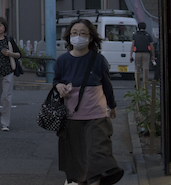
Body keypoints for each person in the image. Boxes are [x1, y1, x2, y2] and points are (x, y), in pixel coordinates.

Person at [54, 19, 124, 185]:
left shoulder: (98, 60)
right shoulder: (62, 60)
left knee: (97, 158)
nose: (78, 37)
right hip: (71, 120)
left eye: (83, 33)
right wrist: (59, 86)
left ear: (91, 38)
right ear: (69, 37)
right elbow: (55, 81)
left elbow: (107, 85)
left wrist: (112, 106)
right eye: (75, 33)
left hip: (96, 117)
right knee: (79, 164)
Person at [130, 22, 156, 90]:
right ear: (145, 27)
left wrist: (131, 55)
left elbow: (133, 45)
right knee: (145, 69)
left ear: (138, 27)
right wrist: (153, 55)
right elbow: (152, 46)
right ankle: (145, 87)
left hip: (137, 53)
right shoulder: (148, 35)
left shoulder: (135, 35)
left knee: (137, 69)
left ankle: (137, 85)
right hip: (146, 54)